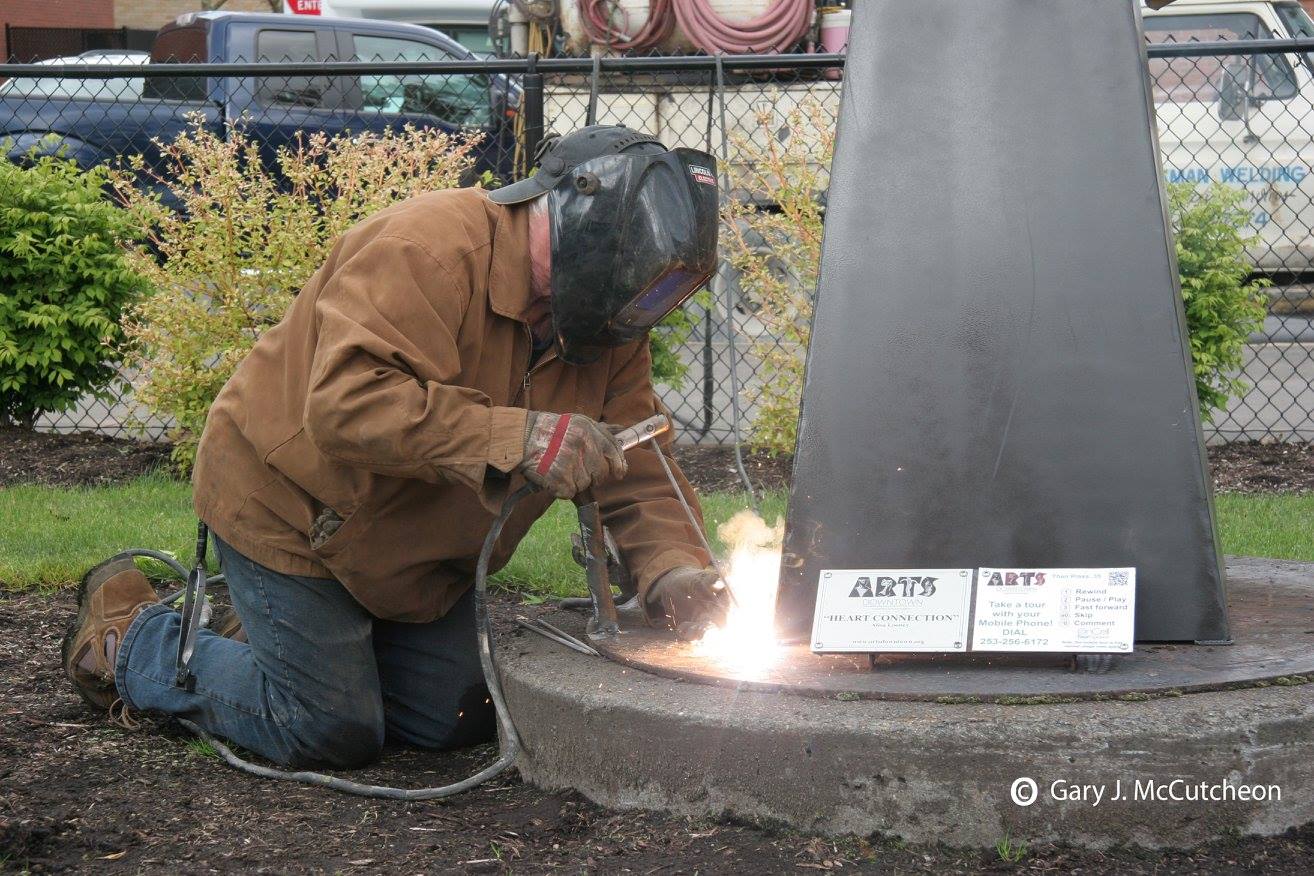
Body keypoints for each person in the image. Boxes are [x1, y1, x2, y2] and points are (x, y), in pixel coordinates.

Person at [62, 126, 730, 768]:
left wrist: (675, 571)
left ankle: (284, 644)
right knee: (326, 727)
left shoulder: (607, 321)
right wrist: (516, 435)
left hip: (405, 553)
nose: (633, 311)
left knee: (458, 714)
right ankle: (131, 637)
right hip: (292, 511)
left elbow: (637, 456)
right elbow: (348, 403)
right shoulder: (428, 250)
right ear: (584, 225)